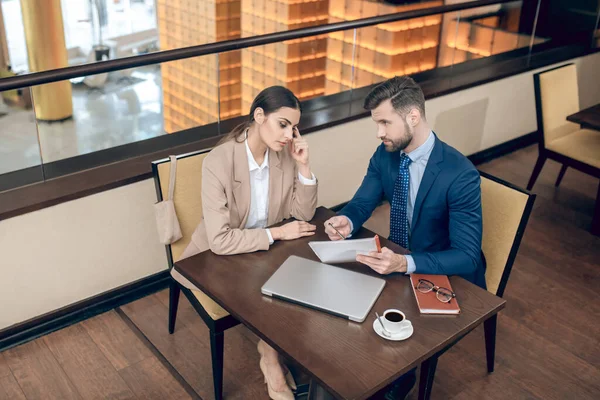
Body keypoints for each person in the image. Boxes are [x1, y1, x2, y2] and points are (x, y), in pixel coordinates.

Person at [324, 76, 485, 399]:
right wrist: (347, 219)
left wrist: (404, 262)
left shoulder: (460, 173)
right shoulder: (385, 154)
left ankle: (395, 378)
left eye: (385, 122)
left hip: (445, 276)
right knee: (344, 311)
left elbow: (467, 255)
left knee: (377, 329)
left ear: (413, 117)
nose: (378, 132)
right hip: (398, 265)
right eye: (376, 123)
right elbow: (362, 202)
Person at [173, 86, 318, 400]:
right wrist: (278, 234)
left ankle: (272, 353)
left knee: (301, 280)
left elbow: (301, 213)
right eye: (282, 125)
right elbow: (221, 240)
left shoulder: (284, 154)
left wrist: (304, 167)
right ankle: (270, 358)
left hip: (263, 250)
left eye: (294, 128)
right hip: (219, 257)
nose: (289, 135)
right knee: (270, 291)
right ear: (259, 116)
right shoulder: (219, 161)